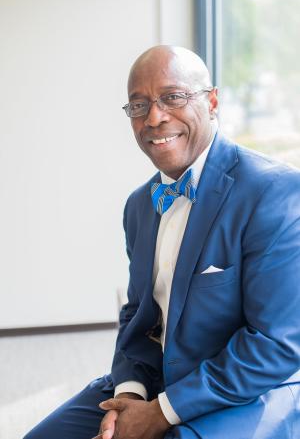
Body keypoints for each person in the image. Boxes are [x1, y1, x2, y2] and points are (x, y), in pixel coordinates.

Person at [24, 45, 300, 439]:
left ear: (213, 102)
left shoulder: (275, 193)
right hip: (157, 379)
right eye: (139, 105)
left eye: (173, 97)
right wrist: (132, 396)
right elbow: (139, 315)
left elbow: (275, 345)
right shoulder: (139, 205)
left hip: (248, 391)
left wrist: (161, 413)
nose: (154, 117)